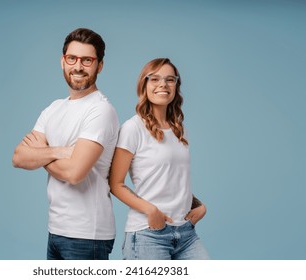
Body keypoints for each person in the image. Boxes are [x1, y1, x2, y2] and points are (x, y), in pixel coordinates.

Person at [12, 28, 119, 260]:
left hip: (87, 234)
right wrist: (60, 151)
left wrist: (39, 154)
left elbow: (73, 173)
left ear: (99, 66)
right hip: (56, 229)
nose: (78, 66)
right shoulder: (54, 108)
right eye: (72, 58)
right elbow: (19, 157)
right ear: (63, 61)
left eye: (87, 60)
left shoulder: (100, 110)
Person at [109, 58, 209, 260]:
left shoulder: (179, 130)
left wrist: (198, 205)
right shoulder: (133, 128)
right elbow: (115, 183)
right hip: (148, 233)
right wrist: (151, 211)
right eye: (155, 79)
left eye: (169, 79)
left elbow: (170, 179)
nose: (163, 84)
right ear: (144, 85)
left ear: (176, 86)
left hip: (185, 233)